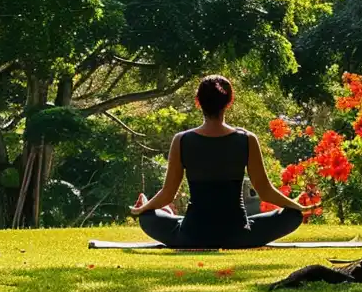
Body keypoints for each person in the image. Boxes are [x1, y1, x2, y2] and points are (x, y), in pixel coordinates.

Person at [131, 74, 306, 249]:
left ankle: (165, 214)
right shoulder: (247, 139)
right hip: (239, 236)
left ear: (198, 101)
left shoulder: (182, 140)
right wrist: (298, 207)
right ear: (229, 102)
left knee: (147, 217)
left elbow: (167, 194)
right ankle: (168, 215)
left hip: (192, 235)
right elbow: (266, 192)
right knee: (293, 215)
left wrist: (142, 210)